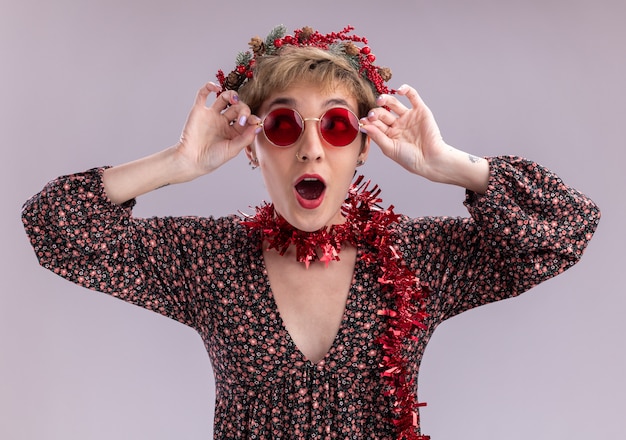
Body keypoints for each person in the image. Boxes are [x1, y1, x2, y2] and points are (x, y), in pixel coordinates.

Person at [21, 25, 600, 439]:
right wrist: (178, 163)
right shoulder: (210, 259)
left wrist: (449, 165)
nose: (311, 147)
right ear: (254, 149)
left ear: (365, 146)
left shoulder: (417, 260)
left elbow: (567, 227)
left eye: (339, 125)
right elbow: (53, 226)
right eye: (281, 124)